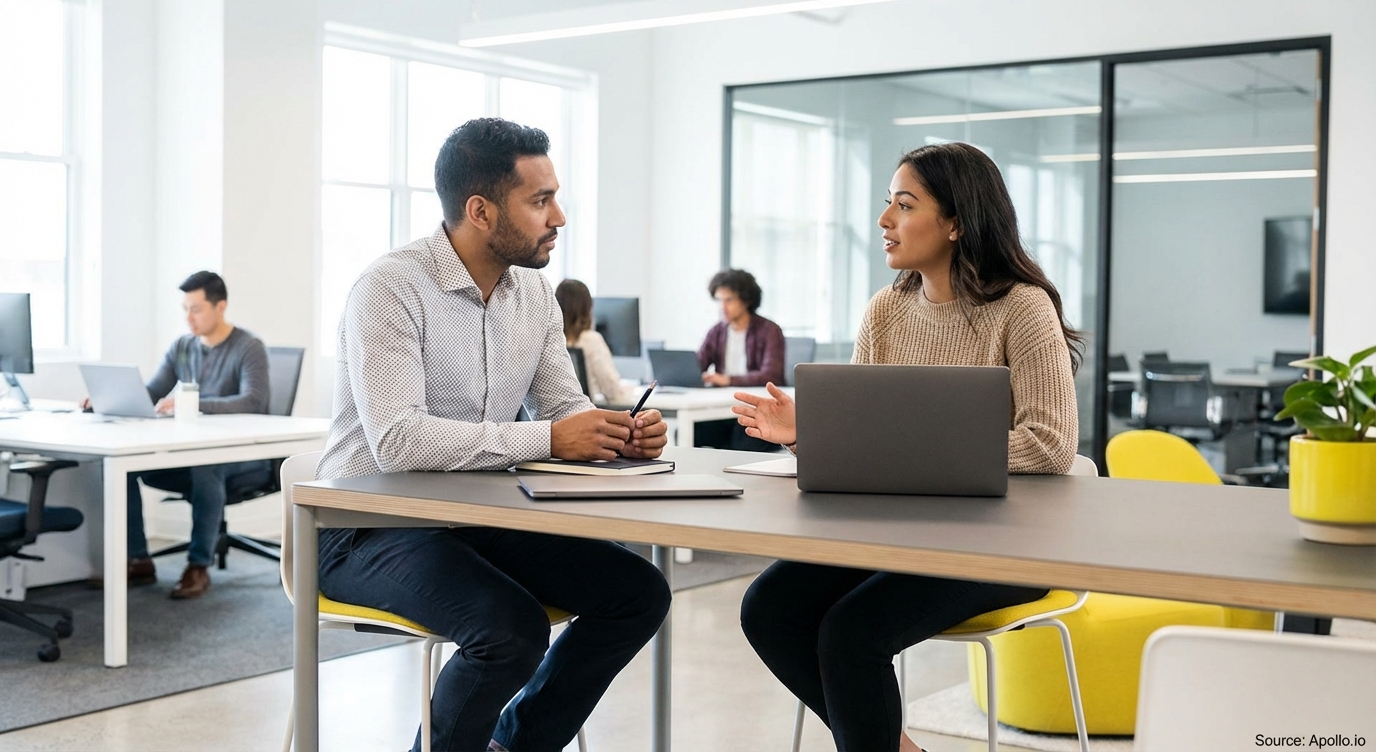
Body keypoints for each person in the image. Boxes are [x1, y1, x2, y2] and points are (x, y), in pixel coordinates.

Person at [315, 118, 672, 752]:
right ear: (480, 211)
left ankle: (516, 746)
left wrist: (617, 432)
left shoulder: (533, 293)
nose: (558, 216)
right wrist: (552, 440)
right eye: (540, 201)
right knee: (508, 629)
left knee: (637, 593)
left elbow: (563, 407)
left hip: (476, 519)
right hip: (367, 524)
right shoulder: (390, 288)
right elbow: (398, 441)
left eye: (555, 196)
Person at [731, 142, 1081, 752]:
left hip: (1007, 545)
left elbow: (1049, 446)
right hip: (896, 535)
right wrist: (807, 434)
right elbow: (865, 447)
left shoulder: (1022, 309)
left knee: (851, 632)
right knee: (768, 608)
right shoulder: (886, 310)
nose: (883, 220)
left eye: (903, 204)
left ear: (956, 222)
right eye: (886, 204)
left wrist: (910, 451)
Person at [122, 271, 272, 599]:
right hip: (192, 452)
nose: (189, 317)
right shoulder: (183, 347)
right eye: (185, 309)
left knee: (207, 467)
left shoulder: (248, 347)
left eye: (196, 309)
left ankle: (198, 566)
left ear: (221, 307)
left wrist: (190, 403)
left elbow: (253, 401)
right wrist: (111, 399)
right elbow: (151, 393)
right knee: (125, 468)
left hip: (244, 457)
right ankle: (139, 558)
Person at [694, 268, 786, 451]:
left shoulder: (769, 331)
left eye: (729, 300)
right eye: (719, 300)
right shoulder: (717, 331)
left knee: (742, 441)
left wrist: (728, 380)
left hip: (757, 412)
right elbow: (698, 366)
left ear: (746, 300)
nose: (723, 307)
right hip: (723, 409)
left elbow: (772, 376)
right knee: (689, 432)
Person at [555, 278, 636, 404]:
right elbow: (611, 390)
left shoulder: (552, 340)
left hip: (556, 420)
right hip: (585, 417)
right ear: (587, 307)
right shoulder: (589, 339)